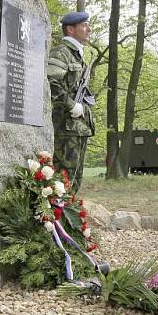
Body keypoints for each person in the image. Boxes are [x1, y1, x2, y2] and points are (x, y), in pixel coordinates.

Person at [47, 11, 96, 196]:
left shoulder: (78, 54)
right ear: (70, 29)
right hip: (65, 127)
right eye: (84, 25)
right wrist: (70, 105)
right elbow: (51, 83)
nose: (88, 29)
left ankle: (68, 220)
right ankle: (58, 221)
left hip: (78, 127)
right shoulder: (62, 52)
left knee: (74, 180)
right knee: (62, 180)